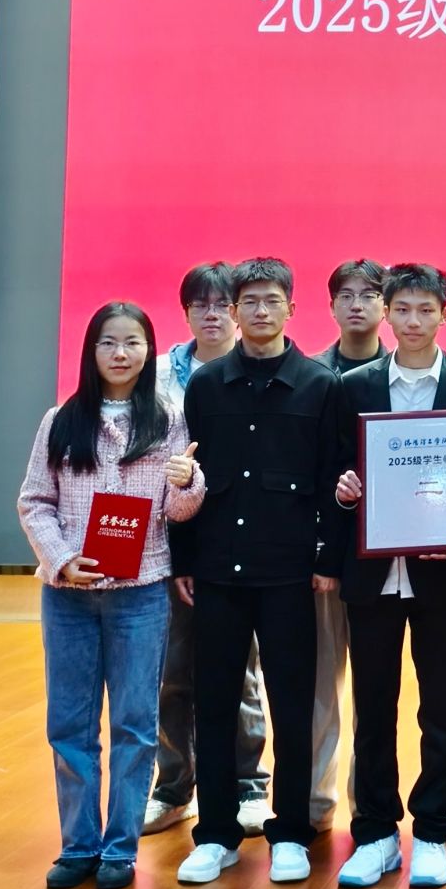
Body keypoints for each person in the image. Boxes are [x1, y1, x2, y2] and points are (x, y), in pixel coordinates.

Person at [169, 258, 345, 888]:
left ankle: (290, 831)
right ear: (234, 310)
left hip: (289, 574)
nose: (261, 311)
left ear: (292, 308)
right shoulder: (206, 385)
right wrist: (184, 560)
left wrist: (328, 560)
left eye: (272, 300)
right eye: (249, 301)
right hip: (217, 571)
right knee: (213, 702)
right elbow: (186, 476)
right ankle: (215, 834)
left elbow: (334, 480)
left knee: (293, 705)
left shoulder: (320, 385)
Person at [19, 302, 204, 889]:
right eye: (107, 342)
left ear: (149, 351)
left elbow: (179, 511)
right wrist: (61, 559)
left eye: (132, 342)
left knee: (134, 724)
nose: (120, 353)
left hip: (140, 593)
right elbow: (34, 501)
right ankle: (78, 846)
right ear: (90, 351)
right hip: (69, 595)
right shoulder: (60, 420)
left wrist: (189, 483)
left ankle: (120, 849)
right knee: (69, 724)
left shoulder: (168, 420)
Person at [331, 263, 446, 889]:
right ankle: (375, 833)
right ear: (386, 313)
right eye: (402, 309)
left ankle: (430, 830)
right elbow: (334, 469)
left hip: (444, 576)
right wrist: (345, 491)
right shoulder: (354, 386)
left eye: (427, 310)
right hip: (372, 572)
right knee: (373, 705)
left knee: (442, 705)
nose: (414, 321)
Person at [146, 263, 269, 839]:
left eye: (223, 304)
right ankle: (174, 788)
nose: (213, 314)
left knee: (241, 673)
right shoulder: (156, 378)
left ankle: (249, 785)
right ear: (186, 312)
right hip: (167, 546)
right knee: (172, 673)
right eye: (201, 305)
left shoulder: (258, 371)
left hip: (236, 546)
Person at [309, 258, 388, 837]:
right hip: (324, 559)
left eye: (369, 294)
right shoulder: (311, 376)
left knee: (376, 689)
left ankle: (370, 803)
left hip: (388, 558)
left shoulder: (406, 372)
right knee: (320, 683)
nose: (357, 304)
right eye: (346, 295)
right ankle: (315, 802)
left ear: (386, 305)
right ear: (331, 304)